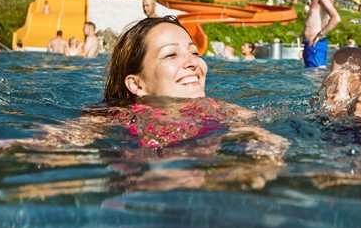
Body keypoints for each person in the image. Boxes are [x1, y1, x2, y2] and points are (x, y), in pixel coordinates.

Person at [102, 16, 289, 155]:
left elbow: (266, 131)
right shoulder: (112, 118)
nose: (192, 62)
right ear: (136, 84)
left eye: (195, 52)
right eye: (171, 55)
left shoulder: (222, 110)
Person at [302, 0, 341, 68]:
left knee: (315, 79)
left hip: (317, 45)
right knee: (309, 79)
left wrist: (320, 35)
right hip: (310, 45)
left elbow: (336, 18)